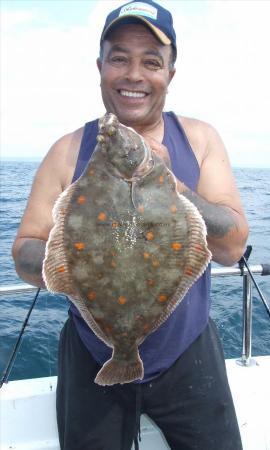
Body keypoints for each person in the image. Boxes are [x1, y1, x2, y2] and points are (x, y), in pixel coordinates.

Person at [12, 1, 249, 449]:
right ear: (100, 67)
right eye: (119, 58)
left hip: (188, 350)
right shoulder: (66, 151)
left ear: (170, 75)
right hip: (91, 353)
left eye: (151, 62)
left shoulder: (199, 139)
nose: (134, 74)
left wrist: (176, 189)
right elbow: (25, 249)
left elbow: (232, 246)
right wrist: (68, 250)